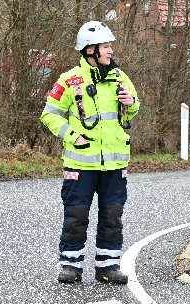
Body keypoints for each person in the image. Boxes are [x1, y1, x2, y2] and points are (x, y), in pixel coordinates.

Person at [40, 21, 140, 284]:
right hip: (80, 162)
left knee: (112, 215)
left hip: (115, 163)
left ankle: (108, 267)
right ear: (89, 50)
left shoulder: (120, 76)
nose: (110, 51)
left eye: (109, 47)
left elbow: (131, 110)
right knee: (77, 214)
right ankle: (71, 266)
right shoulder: (69, 80)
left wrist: (131, 104)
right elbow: (49, 115)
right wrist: (73, 136)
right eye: (106, 46)